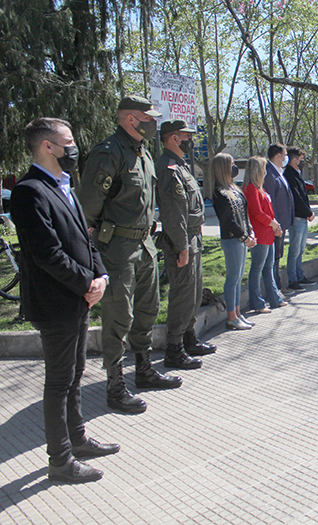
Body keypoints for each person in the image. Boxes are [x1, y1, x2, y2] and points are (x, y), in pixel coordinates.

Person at [11, 117, 119, 484]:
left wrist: (100, 276)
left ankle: (79, 440)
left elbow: (85, 239)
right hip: (56, 303)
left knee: (75, 375)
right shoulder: (30, 191)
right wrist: (86, 283)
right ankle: (60, 460)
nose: (74, 148)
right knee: (59, 382)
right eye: (68, 142)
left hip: (78, 299)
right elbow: (47, 253)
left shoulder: (63, 186)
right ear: (47, 146)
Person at [77, 95, 179, 415]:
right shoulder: (109, 152)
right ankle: (115, 385)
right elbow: (89, 205)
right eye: (148, 118)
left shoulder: (143, 153)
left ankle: (144, 370)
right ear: (130, 119)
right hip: (118, 248)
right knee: (119, 316)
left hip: (145, 244)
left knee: (148, 310)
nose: (153, 123)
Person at [154, 120, 212, 370]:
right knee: (182, 294)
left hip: (192, 237)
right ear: (174, 138)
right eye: (187, 136)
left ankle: (189, 337)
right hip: (182, 239)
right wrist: (182, 246)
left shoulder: (181, 166)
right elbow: (173, 213)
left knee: (194, 293)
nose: (191, 141)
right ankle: (174, 349)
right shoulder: (168, 168)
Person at [207, 153, 257, 330]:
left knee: (238, 278)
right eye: (231, 164)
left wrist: (250, 232)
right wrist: (244, 236)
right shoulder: (219, 193)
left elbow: (244, 214)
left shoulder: (234, 189)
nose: (234, 167)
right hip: (231, 239)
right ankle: (231, 316)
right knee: (233, 278)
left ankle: (237, 313)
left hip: (241, 238)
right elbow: (228, 220)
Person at [243, 156, 286, 312]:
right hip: (260, 234)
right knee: (257, 268)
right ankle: (257, 303)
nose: (266, 171)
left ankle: (275, 299)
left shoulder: (260, 188)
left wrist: (275, 225)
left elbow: (268, 211)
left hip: (268, 233)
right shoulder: (250, 188)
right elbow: (257, 213)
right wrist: (273, 224)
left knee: (268, 267)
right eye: (263, 168)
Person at [262, 143, 294, 294]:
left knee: (277, 256)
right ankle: (276, 289)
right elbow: (271, 203)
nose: (286, 158)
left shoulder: (279, 172)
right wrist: (276, 225)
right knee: (273, 258)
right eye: (285, 155)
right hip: (275, 225)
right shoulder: (269, 174)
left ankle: (277, 287)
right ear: (278, 155)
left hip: (281, 223)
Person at [282, 147, 316, 288]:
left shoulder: (296, 174)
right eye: (301, 159)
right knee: (295, 250)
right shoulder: (289, 175)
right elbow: (296, 197)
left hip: (302, 216)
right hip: (297, 216)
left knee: (300, 249)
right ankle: (293, 279)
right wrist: (308, 212)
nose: (302, 162)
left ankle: (300, 275)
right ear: (294, 159)